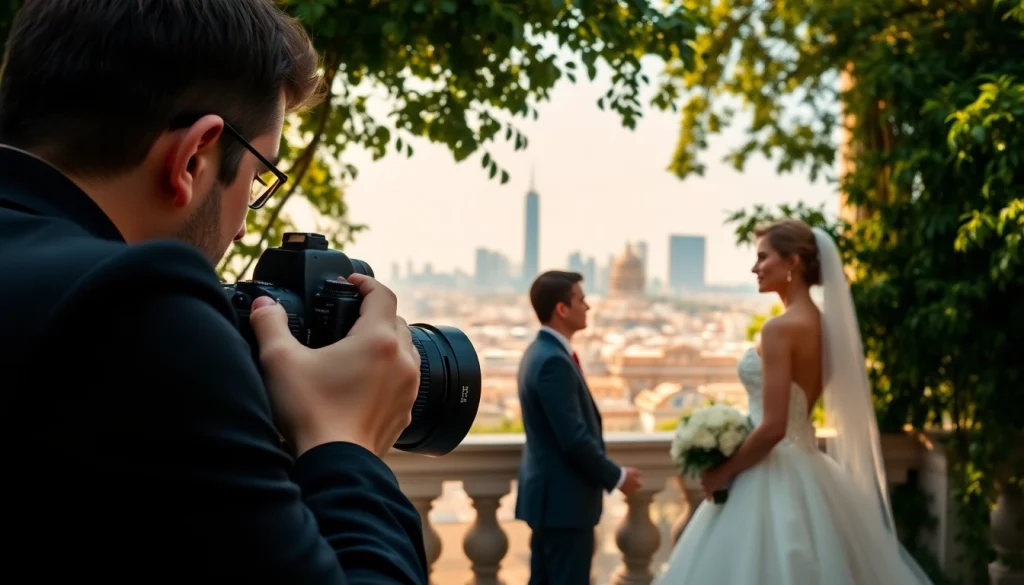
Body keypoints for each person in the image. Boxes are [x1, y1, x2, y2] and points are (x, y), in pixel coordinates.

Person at [0, 1, 427, 583]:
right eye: (258, 177)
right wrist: (344, 441)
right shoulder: (136, 311)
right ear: (194, 156)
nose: (244, 227)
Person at [656, 219, 935, 584]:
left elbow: (773, 427)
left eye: (763, 258)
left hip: (770, 470)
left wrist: (724, 471)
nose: (754, 268)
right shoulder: (827, 329)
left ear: (793, 263)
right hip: (808, 465)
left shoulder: (779, 330)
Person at [515, 271, 643, 585]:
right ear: (562, 309)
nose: (588, 307)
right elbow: (573, 438)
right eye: (581, 300)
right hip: (564, 506)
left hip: (550, 503)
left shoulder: (539, 353)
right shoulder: (553, 361)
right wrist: (617, 476)